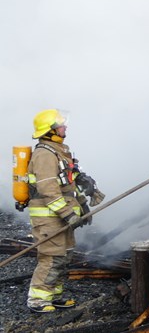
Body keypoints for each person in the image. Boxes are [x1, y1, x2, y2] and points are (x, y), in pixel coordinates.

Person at [24, 109, 102, 313]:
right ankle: (38, 299)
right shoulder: (44, 154)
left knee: (64, 256)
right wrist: (69, 214)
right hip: (49, 218)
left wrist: (83, 205)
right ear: (50, 131)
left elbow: (68, 186)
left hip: (60, 217)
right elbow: (48, 190)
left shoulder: (59, 152)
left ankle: (53, 295)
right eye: (60, 124)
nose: (65, 127)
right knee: (51, 256)